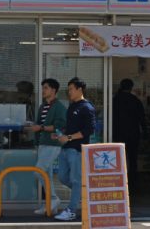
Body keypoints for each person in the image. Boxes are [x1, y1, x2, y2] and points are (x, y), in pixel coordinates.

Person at [53, 77, 96, 222]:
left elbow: (89, 130)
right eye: (68, 89)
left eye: (71, 89)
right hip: (66, 148)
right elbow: (70, 127)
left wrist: (69, 138)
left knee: (76, 180)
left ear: (79, 89)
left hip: (77, 149)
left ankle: (71, 210)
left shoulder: (87, 107)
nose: (69, 92)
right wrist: (61, 134)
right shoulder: (72, 106)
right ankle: (87, 194)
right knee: (62, 177)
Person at [26, 78, 67, 215]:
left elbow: (60, 126)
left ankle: (54, 199)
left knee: (39, 172)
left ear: (54, 90)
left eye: (46, 88)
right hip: (42, 143)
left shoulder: (59, 107)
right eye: (43, 88)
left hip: (53, 143)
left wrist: (41, 127)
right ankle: (51, 206)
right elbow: (39, 125)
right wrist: (34, 127)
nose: (43, 90)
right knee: (47, 175)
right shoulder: (42, 106)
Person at [113, 78, 147, 190]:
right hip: (133, 134)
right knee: (133, 159)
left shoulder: (115, 100)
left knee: (118, 159)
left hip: (118, 134)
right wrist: (145, 133)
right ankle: (132, 184)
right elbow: (142, 118)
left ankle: (118, 182)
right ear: (131, 88)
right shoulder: (135, 100)